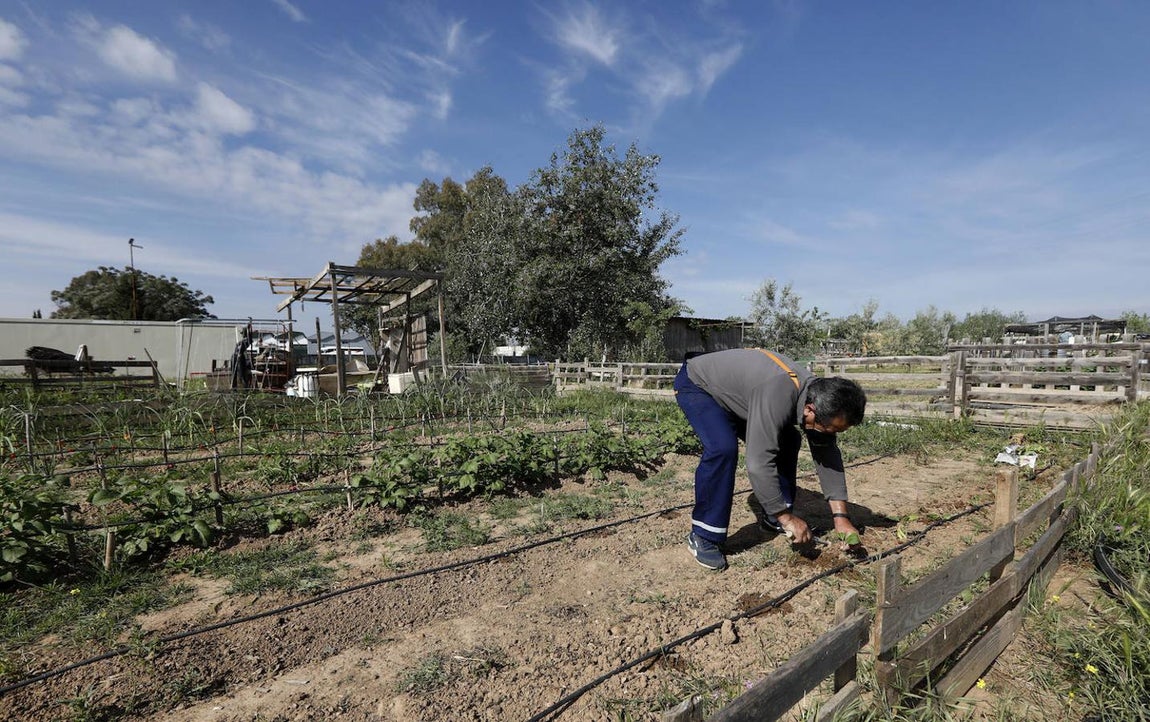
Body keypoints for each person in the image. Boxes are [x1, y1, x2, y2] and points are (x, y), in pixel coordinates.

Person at [673, 348, 867, 570]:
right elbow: (758, 463)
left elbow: (827, 455)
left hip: (743, 394)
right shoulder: (777, 393)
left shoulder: (818, 397)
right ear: (810, 411)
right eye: (830, 429)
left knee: (788, 439)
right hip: (699, 384)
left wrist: (841, 518)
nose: (830, 435)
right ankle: (704, 535)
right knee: (722, 448)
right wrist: (788, 518)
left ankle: (773, 517)